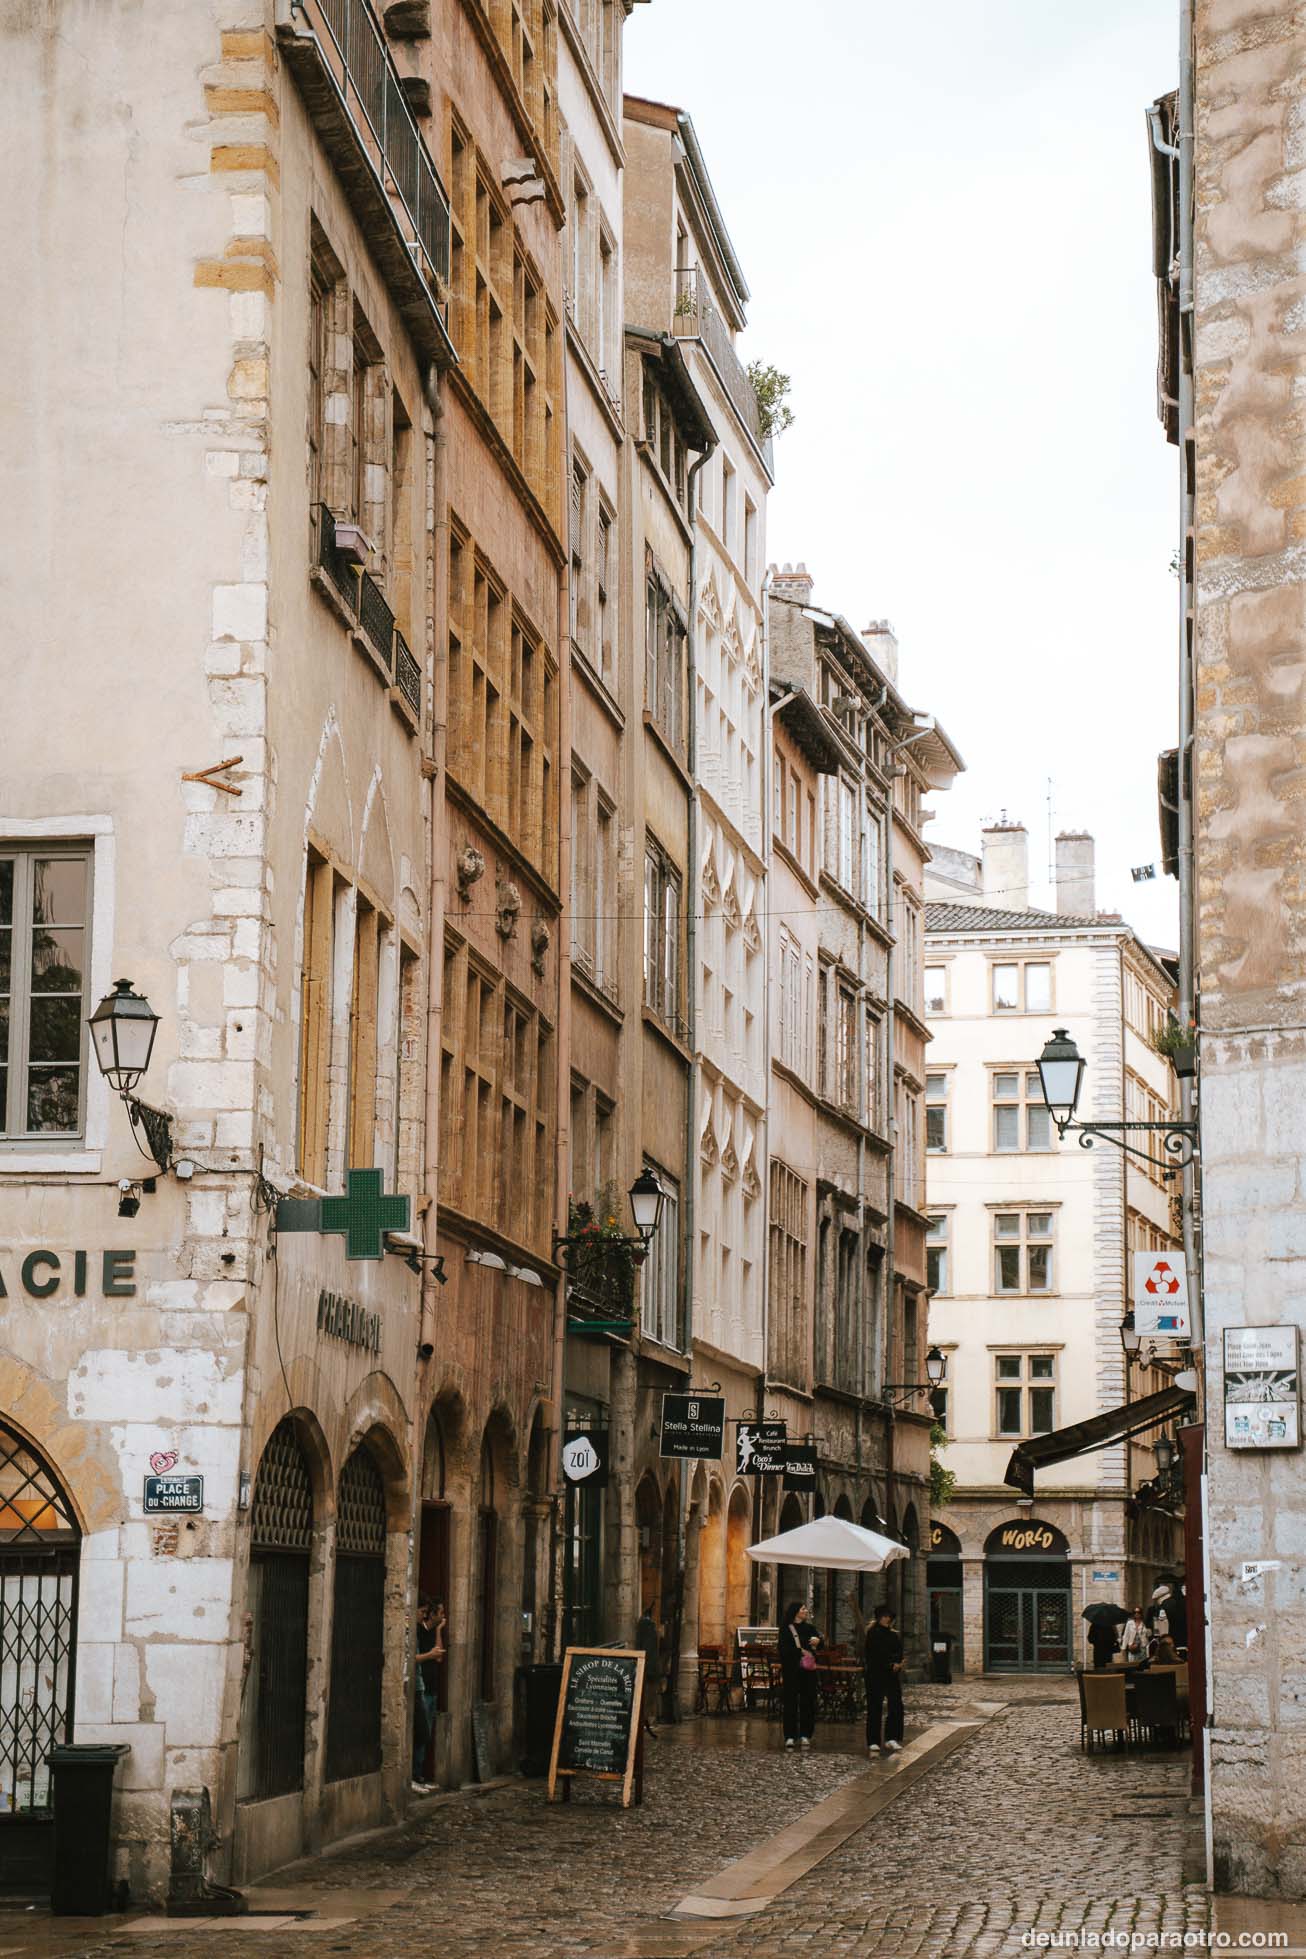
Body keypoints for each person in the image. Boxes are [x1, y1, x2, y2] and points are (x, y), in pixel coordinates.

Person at [412, 1597, 445, 1790]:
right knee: (422, 1732)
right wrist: (430, 1655)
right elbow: (427, 1656)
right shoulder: (417, 1631)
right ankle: (416, 1773)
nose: (443, 1617)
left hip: (429, 1687)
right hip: (421, 1687)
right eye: (440, 1613)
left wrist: (439, 1631)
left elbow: (439, 1656)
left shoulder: (431, 1632)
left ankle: (419, 1773)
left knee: (426, 1732)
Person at [779, 1600, 821, 1749]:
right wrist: (800, 1652)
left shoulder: (810, 1628)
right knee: (790, 1703)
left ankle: (805, 1734)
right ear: (796, 1611)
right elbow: (783, 1649)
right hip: (792, 1671)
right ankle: (790, 1735)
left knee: (807, 1703)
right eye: (803, 1609)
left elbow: (819, 1645)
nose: (806, 1611)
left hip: (808, 1671)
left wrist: (817, 1642)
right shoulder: (785, 1629)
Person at [864, 1604, 905, 1756]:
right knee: (875, 1707)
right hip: (876, 1674)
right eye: (885, 1616)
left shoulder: (894, 1635)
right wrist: (889, 1664)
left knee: (896, 1705)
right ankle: (873, 1740)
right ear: (879, 1617)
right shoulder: (873, 1634)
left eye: (889, 1616)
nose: (887, 1619)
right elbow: (875, 1655)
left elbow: (898, 1651)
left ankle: (892, 1737)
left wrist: (897, 1664)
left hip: (892, 1675)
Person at [635, 1604, 661, 1736]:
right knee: (647, 1698)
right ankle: (645, 1719)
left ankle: (645, 1720)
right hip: (648, 1668)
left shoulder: (643, 1625)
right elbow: (649, 1649)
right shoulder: (648, 1626)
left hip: (645, 1667)